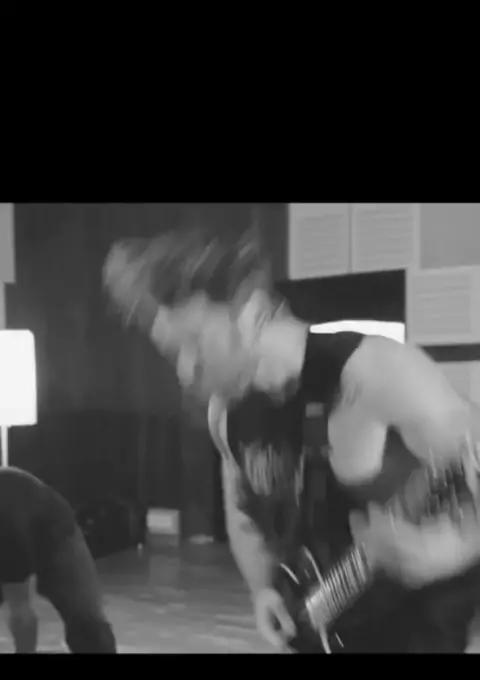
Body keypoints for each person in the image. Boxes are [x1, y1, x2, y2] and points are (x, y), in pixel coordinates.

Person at [103, 228, 480, 653]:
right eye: (172, 354)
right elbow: (243, 516)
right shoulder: (226, 414)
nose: (185, 372)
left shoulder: (376, 373)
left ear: (250, 314)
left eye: (195, 344)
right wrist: (263, 589)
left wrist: (447, 553)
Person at [0, 467, 117, 654]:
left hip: (56, 541)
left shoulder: (6, 524)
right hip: (19, 531)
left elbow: (21, 613)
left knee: (88, 629)